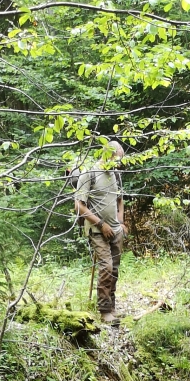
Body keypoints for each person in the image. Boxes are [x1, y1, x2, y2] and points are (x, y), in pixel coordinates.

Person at [73, 140, 127, 326]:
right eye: (115, 159)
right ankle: (104, 311)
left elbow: (120, 200)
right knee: (106, 267)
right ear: (106, 155)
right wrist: (101, 224)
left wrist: (120, 222)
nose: (117, 163)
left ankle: (112, 307)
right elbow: (79, 206)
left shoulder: (116, 175)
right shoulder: (89, 174)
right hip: (97, 230)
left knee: (115, 270)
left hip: (116, 230)